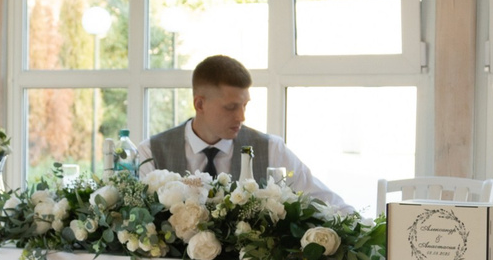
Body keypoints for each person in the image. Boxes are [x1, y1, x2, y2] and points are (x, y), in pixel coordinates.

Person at [139, 54, 346, 207]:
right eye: (230, 107)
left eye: (244, 105)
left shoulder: (271, 149)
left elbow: (324, 202)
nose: (241, 117)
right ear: (200, 104)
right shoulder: (151, 152)